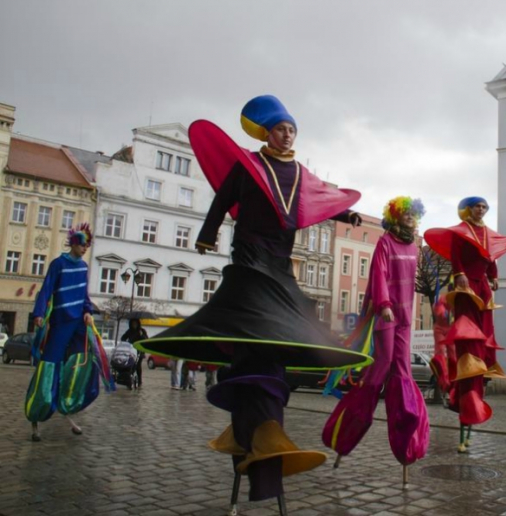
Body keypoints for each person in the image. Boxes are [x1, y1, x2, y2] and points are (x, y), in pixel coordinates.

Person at [135, 95, 370, 505]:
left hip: (280, 259)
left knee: (278, 321)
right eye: (281, 129)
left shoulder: (299, 171)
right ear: (267, 132)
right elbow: (223, 199)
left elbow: (316, 199)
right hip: (249, 253)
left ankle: (258, 429)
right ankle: (257, 431)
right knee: (252, 313)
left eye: (292, 129)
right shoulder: (249, 165)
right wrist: (207, 235)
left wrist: (344, 215)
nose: (288, 135)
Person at [322, 197, 429, 483]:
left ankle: (407, 436)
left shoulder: (413, 245)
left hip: (406, 317)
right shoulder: (385, 242)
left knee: (403, 373)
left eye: (412, 214)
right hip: (386, 314)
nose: (409, 217)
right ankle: (346, 431)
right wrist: (383, 303)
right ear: (395, 216)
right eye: (404, 213)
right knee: (379, 369)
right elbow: (378, 274)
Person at [424, 197, 506, 452]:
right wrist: (459, 274)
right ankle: (463, 374)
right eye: (477, 206)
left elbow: (492, 256)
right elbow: (456, 256)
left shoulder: (488, 234)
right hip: (466, 285)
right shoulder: (461, 232)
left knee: (484, 332)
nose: (481, 210)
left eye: (484, 207)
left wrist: (494, 277)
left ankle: (479, 369)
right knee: (466, 329)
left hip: (483, 287)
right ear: (467, 209)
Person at [25, 223, 111, 441]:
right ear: (73, 243)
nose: (85, 249)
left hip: (78, 324)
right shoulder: (58, 264)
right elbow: (46, 289)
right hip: (60, 322)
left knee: (80, 365)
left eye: (87, 246)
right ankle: (36, 414)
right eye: (82, 245)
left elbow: (83, 296)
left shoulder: (83, 268)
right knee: (49, 366)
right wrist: (39, 312)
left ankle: (68, 407)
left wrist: (88, 311)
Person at [121, 319, 148, 388]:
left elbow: (146, 339)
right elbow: (123, 338)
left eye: (135, 323)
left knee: (138, 365)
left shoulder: (142, 330)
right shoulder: (129, 331)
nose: (134, 325)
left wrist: (141, 335)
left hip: (140, 351)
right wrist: (126, 342)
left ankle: (139, 381)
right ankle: (129, 378)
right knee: (130, 364)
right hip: (131, 350)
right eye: (133, 323)